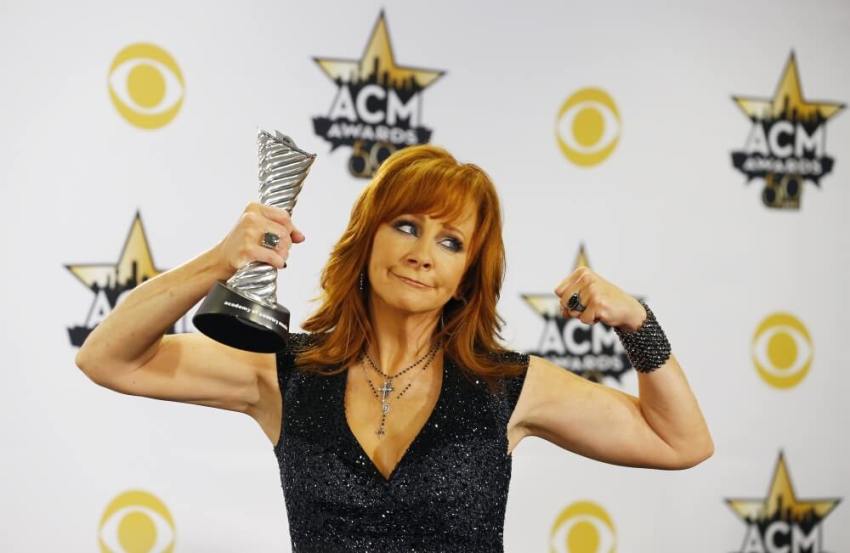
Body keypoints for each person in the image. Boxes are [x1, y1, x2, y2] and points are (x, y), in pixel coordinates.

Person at [76, 145, 713, 552]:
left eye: (450, 241)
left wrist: (637, 323)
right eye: (406, 226)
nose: (420, 253)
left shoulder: (509, 386)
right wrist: (217, 262)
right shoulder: (283, 373)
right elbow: (107, 356)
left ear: (469, 274)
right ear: (368, 238)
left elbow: (679, 441)